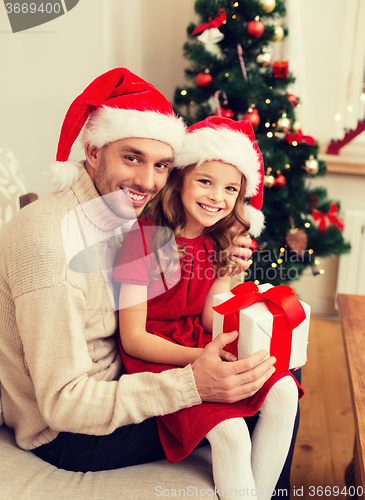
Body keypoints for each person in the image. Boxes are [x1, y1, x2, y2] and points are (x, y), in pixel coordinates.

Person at [0, 68, 276, 474]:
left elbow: (186, 237)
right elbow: (64, 404)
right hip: (72, 434)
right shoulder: (49, 244)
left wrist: (226, 258)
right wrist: (192, 383)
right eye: (132, 158)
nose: (148, 181)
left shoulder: (122, 210)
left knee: (275, 373)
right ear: (93, 151)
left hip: (122, 373)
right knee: (250, 402)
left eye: (162, 165)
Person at [112, 117, 304, 499]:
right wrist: (200, 358)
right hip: (160, 356)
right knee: (231, 433)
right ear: (180, 178)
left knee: (284, 389)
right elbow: (133, 339)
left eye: (230, 188)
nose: (218, 197)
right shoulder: (143, 240)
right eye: (205, 181)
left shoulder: (218, 238)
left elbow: (207, 318)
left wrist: (228, 273)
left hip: (201, 339)